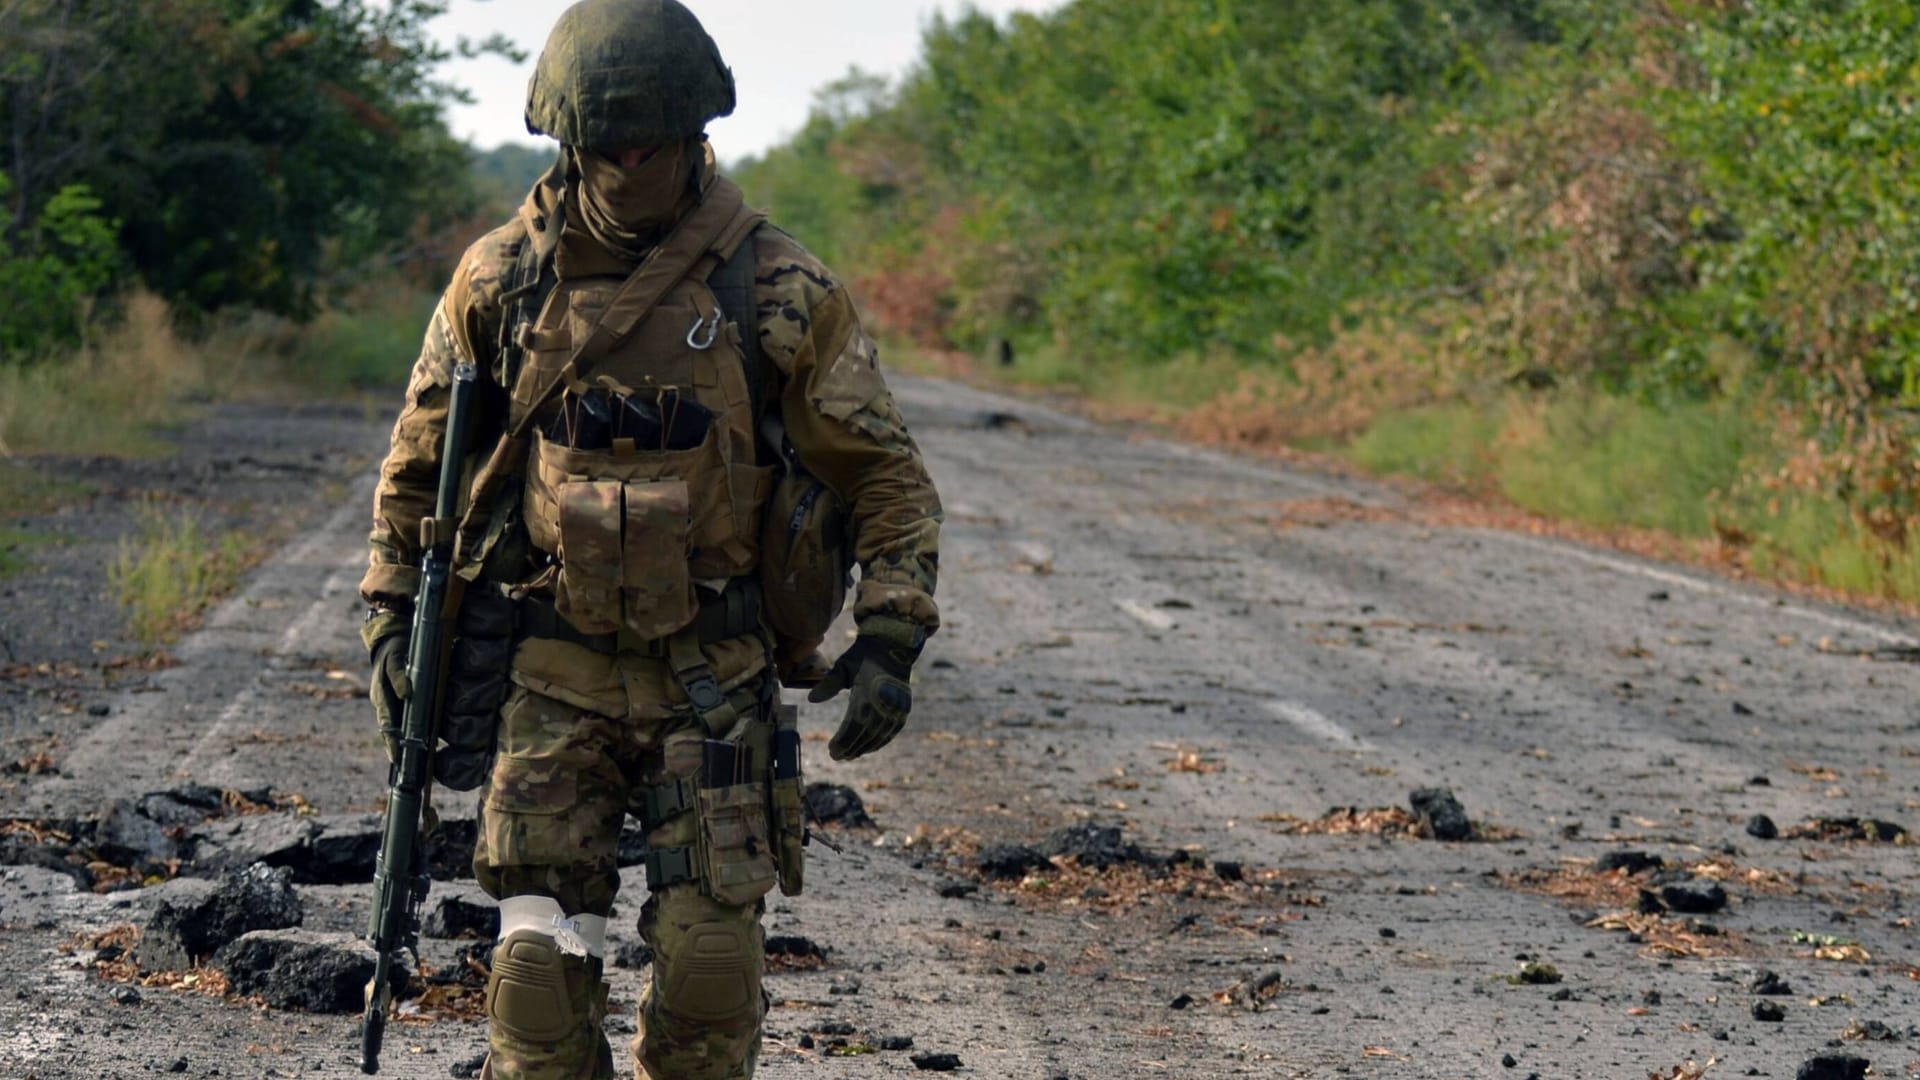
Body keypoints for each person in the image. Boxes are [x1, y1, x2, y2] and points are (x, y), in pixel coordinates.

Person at [357, 2, 943, 1076]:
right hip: (550, 666)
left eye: (651, 147)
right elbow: (419, 460)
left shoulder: (777, 286)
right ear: (570, 143)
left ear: (695, 136)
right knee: (536, 975)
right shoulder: (501, 282)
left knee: (712, 968)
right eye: (607, 148)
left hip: (713, 672)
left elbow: (882, 472)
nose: (629, 167)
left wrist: (892, 633)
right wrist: (391, 616)